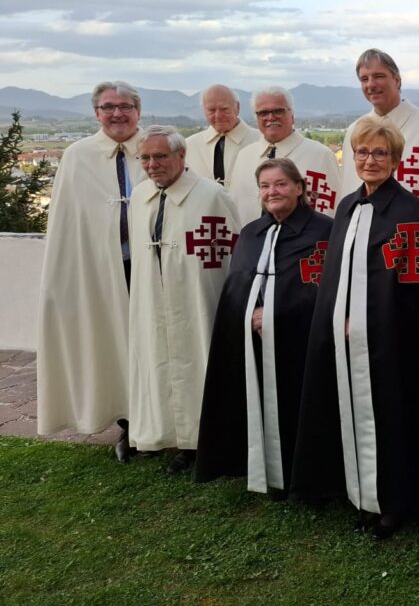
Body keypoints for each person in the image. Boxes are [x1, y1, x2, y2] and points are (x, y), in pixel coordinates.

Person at [291, 117, 419, 538]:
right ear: (352, 157)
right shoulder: (348, 207)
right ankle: (356, 491)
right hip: (343, 335)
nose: (370, 160)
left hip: (389, 340)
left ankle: (392, 503)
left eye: (380, 153)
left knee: (390, 416)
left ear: (395, 160)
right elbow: (337, 274)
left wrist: (375, 323)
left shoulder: (410, 211)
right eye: (362, 152)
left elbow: (414, 285)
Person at [194, 158, 333, 495]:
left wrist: (274, 313)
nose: (273, 192)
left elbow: (323, 288)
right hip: (253, 339)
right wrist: (250, 312)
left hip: (301, 341)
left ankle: (303, 477)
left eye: (281, 184)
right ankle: (258, 467)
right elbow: (237, 286)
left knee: (300, 406)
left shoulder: (325, 231)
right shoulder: (253, 233)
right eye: (265, 186)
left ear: (299, 188)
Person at [36, 81, 145, 460]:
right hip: (100, 269)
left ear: (138, 110)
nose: (117, 113)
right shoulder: (77, 156)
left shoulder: (159, 147)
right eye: (108, 106)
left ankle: (167, 424)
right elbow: (68, 221)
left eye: (125, 106)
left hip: (153, 268)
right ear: (96, 113)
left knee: (155, 344)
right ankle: (129, 426)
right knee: (113, 343)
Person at [127, 125, 240, 474]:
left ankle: (200, 441)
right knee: (157, 361)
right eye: (145, 157)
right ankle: (162, 432)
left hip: (198, 301)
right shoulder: (141, 196)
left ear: (181, 155)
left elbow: (233, 258)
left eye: (160, 156)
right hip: (154, 301)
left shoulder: (212, 196)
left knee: (199, 364)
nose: (152, 164)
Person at [339, 48, 419, 235]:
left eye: (378, 76)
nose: (371, 84)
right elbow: (349, 190)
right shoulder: (354, 131)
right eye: (364, 79)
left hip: (416, 240)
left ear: (397, 80)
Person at [230, 86, 343, 224]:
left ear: (292, 116)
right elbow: (235, 208)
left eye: (278, 111)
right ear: (256, 118)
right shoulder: (244, 156)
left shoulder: (321, 155)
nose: (270, 117)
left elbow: (333, 209)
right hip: (253, 241)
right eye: (263, 113)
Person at [185, 84, 260, 186]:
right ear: (204, 111)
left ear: (237, 108)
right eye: (211, 110)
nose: (218, 116)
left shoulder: (261, 140)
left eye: (224, 109)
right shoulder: (189, 146)